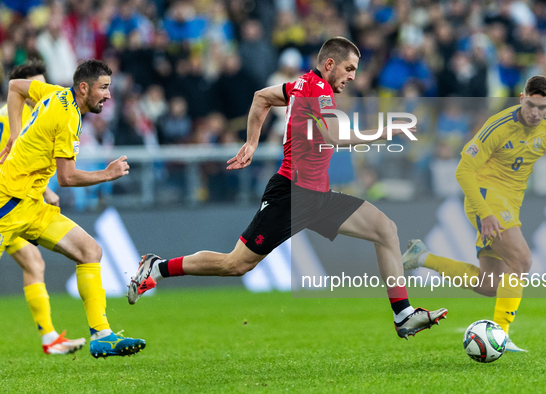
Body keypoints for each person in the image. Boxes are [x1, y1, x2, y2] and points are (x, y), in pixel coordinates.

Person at [128, 37, 448, 340]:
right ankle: (157, 267)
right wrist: (388, 131)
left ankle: (403, 315)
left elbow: (262, 98)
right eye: (349, 68)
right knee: (236, 264)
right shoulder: (318, 89)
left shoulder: (301, 84)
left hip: (317, 196)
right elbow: (334, 136)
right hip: (292, 195)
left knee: (385, 230)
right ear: (330, 63)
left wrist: (251, 144)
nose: (353, 76)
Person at [401, 76, 546, 352]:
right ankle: (501, 333)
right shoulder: (498, 126)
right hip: (485, 198)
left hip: (510, 204)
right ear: (522, 98)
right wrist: (485, 213)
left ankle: (421, 256)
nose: (536, 113)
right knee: (522, 259)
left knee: (489, 285)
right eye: (531, 105)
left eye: (543, 107)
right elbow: (463, 169)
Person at [0, 59, 146, 358]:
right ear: (84, 87)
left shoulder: (54, 92)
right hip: (7, 202)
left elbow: (15, 88)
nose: (108, 96)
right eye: (103, 88)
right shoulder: (68, 118)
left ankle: (102, 334)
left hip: (32, 204)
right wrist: (108, 173)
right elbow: (66, 178)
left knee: (89, 251)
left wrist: (16, 136)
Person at [0, 61, 86, 355]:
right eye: (35, 85)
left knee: (35, 263)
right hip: (6, 203)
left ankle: (49, 337)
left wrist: (44, 191)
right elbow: (10, 162)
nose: (41, 91)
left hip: (20, 207)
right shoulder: (8, 118)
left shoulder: (40, 113)